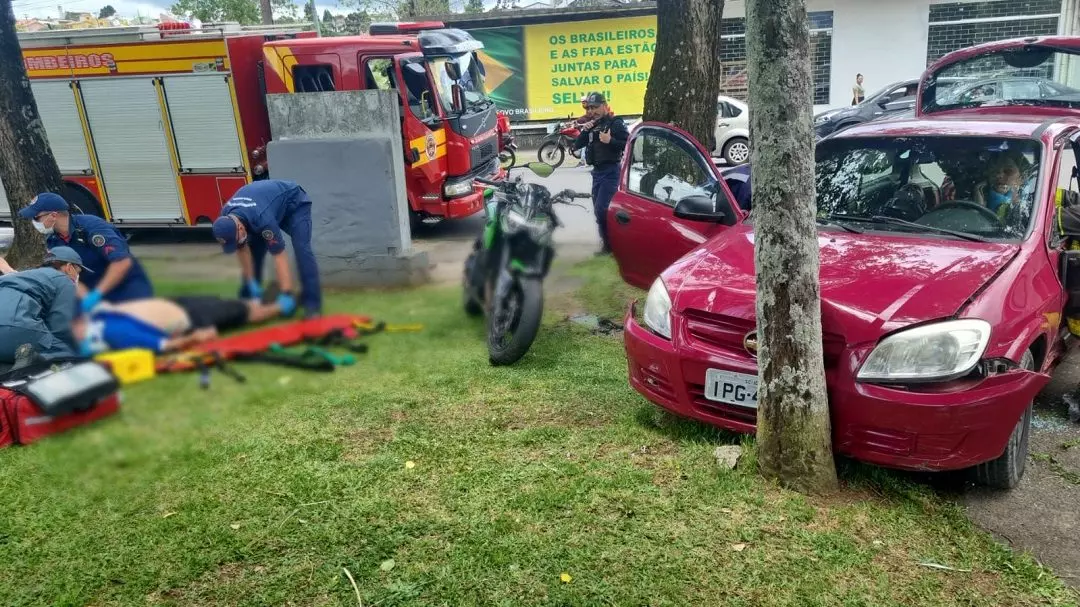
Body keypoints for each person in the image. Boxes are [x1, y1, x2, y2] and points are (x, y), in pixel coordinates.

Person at [18, 192, 153, 312]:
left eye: (36, 218)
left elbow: (122, 262)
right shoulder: (53, 240)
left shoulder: (92, 228)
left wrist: (97, 294)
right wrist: (88, 298)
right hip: (92, 288)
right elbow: (68, 273)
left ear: (53, 215)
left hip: (125, 287)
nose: (34, 222)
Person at [210, 179, 319, 318]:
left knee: (302, 249)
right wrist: (250, 281)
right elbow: (241, 247)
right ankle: (249, 297)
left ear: (240, 227)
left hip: (294, 202)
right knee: (255, 250)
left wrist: (286, 293)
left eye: (235, 239)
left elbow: (279, 255)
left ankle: (312, 305)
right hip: (267, 205)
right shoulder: (226, 218)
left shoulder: (262, 220)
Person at [74, 290, 285, 355]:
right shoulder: (115, 331)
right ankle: (282, 306)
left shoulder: (94, 317)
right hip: (190, 318)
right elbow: (166, 345)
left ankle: (265, 300)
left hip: (177, 305)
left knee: (230, 304)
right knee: (243, 313)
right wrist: (197, 337)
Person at [0, 246, 89, 364]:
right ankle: (34, 359)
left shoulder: (20, 275)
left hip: (9, 333)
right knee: (71, 354)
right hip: (17, 330)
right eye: (78, 272)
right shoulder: (63, 280)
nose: (77, 277)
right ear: (69, 268)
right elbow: (62, 327)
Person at [574, 92, 629, 256]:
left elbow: (627, 143)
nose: (593, 111)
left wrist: (610, 141)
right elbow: (577, 145)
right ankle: (607, 246)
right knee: (599, 211)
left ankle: (613, 245)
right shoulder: (593, 125)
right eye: (590, 108)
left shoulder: (616, 123)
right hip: (597, 172)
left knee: (602, 209)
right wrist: (585, 131)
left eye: (596, 107)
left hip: (611, 171)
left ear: (604, 106)